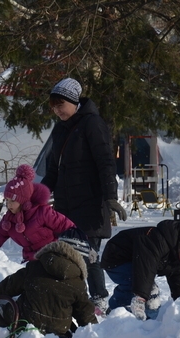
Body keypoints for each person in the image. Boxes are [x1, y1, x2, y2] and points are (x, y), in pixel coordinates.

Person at [41, 77, 127, 314]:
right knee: (66, 255)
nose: (57, 111)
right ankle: (74, 299)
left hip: (90, 204)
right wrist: (37, 195)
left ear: (73, 101)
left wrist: (111, 196)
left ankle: (99, 300)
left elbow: (105, 162)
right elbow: (52, 171)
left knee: (89, 256)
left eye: (61, 105)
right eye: (54, 107)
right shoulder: (59, 130)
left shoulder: (92, 124)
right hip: (66, 207)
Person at [100, 212, 180, 320]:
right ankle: (125, 316)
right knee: (145, 288)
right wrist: (140, 297)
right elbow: (145, 268)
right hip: (117, 257)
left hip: (136, 263)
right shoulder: (156, 241)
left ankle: (139, 318)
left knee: (140, 287)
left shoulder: (176, 257)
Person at [0, 229, 98, 338]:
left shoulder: (36, 266)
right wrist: (95, 332)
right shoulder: (78, 283)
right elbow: (85, 313)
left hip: (24, 322)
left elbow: (11, 285)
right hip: (58, 332)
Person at [0, 164, 74, 262]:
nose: (9, 205)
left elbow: (68, 228)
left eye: (12, 201)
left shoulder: (42, 213)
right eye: (7, 200)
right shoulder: (8, 221)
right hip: (32, 261)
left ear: (23, 200)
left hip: (53, 257)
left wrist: (83, 247)